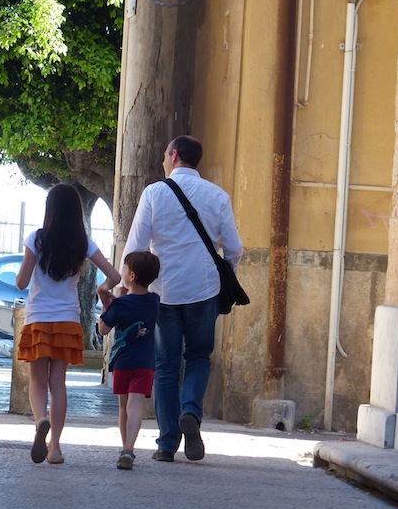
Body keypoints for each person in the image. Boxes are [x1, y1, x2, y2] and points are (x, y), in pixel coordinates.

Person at [118, 135, 243, 462]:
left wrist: (125, 285)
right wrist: (223, 269)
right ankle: (191, 412)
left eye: (164, 154)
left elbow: (136, 245)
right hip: (204, 290)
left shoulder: (154, 193)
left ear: (173, 156)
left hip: (163, 291)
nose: (163, 160)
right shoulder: (218, 196)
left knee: (165, 365)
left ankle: (167, 443)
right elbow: (235, 248)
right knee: (199, 357)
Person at [15, 183, 121, 465]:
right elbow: (115, 275)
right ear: (76, 212)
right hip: (67, 320)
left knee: (37, 381)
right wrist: (103, 290)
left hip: (38, 318)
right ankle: (56, 448)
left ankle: (40, 421)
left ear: (50, 210)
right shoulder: (82, 243)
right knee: (57, 383)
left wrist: (27, 268)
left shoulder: (36, 239)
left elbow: (22, 282)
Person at [97, 251, 161, 470]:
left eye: (124, 269)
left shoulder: (121, 305)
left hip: (123, 362)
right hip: (145, 364)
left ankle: (126, 447)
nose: (122, 272)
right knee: (136, 406)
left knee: (123, 407)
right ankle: (129, 449)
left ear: (131, 276)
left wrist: (107, 306)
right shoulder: (154, 301)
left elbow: (103, 329)